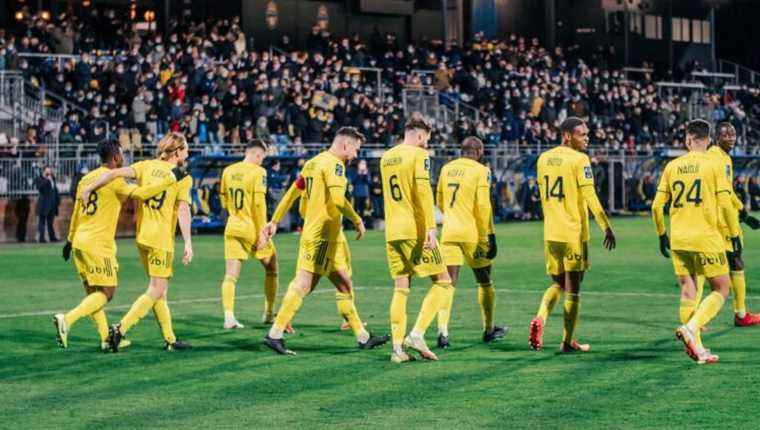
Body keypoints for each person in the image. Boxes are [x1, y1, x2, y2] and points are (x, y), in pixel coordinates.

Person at [260, 127, 388, 355]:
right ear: (345, 145)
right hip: (320, 236)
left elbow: (292, 191)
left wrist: (275, 220)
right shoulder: (334, 165)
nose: (356, 155)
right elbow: (339, 200)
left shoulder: (314, 162)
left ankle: (362, 336)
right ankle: (275, 333)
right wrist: (357, 219)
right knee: (304, 284)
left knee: (344, 283)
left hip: (328, 237)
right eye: (356, 150)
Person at [53, 141, 185, 350]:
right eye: (122, 155)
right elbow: (142, 194)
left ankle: (106, 339)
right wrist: (170, 178)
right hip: (98, 244)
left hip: (79, 240)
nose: (123, 159)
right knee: (107, 293)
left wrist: (69, 240)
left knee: (93, 293)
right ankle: (67, 320)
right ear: (115, 158)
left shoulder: (86, 180)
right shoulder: (116, 182)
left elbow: (77, 211)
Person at [651, 119, 740, 364]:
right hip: (706, 237)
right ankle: (691, 327)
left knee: (688, 288)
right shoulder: (714, 166)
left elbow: (656, 206)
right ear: (709, 139)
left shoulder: (673, 166)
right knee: (721, 288)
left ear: (688, 140)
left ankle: (698, 348)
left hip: (678, 238)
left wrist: (661, 234)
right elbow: (725, 203)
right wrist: (733, 235)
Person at [528, 117, 616, 353]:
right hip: (573, 234)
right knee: (574, 289)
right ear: (567, 136)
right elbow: (590, 195)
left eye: (587, 134)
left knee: (558, 283)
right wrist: (605, 226)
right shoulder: (580, 159)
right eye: (582, 134)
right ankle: (568, 342)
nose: (587, 138)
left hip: (550, 232)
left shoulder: (543, 158)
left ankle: (540, 317)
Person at [381, 118, 454, 363]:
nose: (427, 145)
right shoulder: (419, 155)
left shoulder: (386, 157)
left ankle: (397, 349)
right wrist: (431, 227)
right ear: (421, 136)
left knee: (401, 288)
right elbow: (423, 192)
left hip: (392, 231)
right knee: (443, 281)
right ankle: (417, 334)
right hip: (413, 229)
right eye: (427, 140)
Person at [435, 136, 506, 348]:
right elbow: (484, 206)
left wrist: (453, 216)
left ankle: (443, 332)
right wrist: (490, 235)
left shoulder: (446, 168)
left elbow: (439, 200)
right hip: (473, 234)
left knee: (448, 283)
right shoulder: (481, 170)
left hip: (449, 232)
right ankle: (488, 329)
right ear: (477, 151)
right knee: (484, 280)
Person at [694, 122, 760, 327]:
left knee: (725, 265)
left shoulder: (723, 157)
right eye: (726, 135)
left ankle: (739, 314)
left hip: (721, 218)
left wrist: (742, 212)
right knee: (727, 264)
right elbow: (722, 193)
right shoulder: (716, 157)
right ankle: (736, 315)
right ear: (716, 137)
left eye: (733, 134)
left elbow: (727, 191)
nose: (731, 138)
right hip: (720, 222)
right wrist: (735, 221)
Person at [217, 139, 279, 329]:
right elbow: (259, 205)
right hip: (251, 228)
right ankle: (269, 314)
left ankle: (228, 317)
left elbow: (223, 200)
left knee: (230, 275)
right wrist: (262, 233)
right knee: (272, 268)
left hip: (233, 226)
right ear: (258, 154)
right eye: (263, 158)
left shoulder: (228, 170)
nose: (262, 162)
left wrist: (235, 214)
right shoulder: (259, 172)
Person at [36, 166, 60, 243]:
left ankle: (52, 237)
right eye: (47, 171)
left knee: (51, 222)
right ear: (44, 171)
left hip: (52, 204)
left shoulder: (53, 178)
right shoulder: (40, 178)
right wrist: (47, 180)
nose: (49, 172)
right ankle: (41, 238)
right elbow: (40, 187)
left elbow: (55, 190)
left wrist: (57, 200)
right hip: (43, 204)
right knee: (42, 222)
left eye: (50, 171)